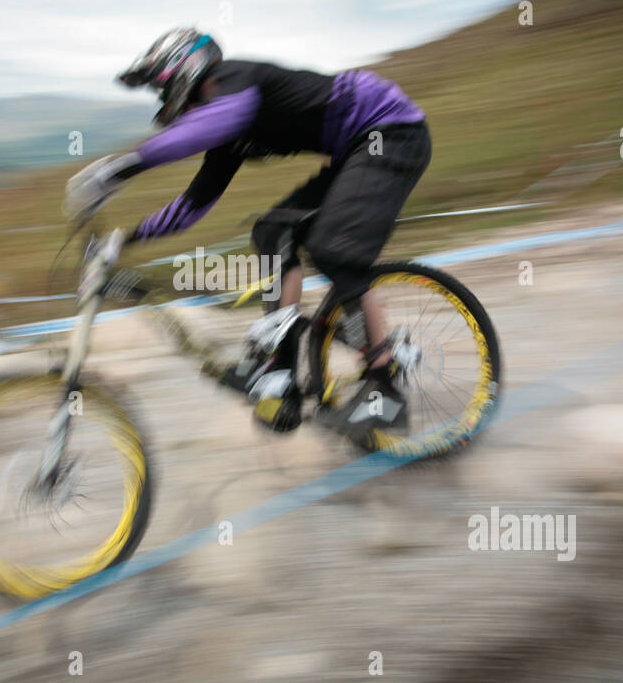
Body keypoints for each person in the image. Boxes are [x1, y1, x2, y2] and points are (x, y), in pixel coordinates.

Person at [64, 28, 431, 441]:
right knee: (272, 231)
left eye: (159, 87)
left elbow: (212, 123)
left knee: (333, 248)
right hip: (356, 150)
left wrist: (120, 169)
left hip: (392, 133)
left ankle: (385, 387)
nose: (160, 99)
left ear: (183, 68)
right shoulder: (229, 136)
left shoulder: (237, 79)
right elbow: (191, 207)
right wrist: (124, 240)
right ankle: (282, 376)